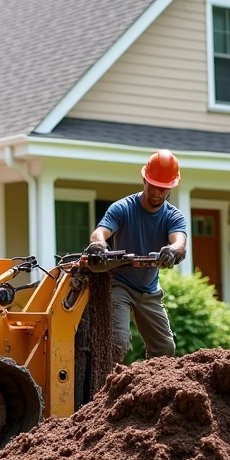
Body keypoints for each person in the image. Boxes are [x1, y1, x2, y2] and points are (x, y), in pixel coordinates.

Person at [85, 149, 188, 358]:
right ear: (144, 179)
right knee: (117, 343)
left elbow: (179, 242)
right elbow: (100, 232)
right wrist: (99, 245)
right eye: (154, 186)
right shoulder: (123, 208)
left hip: (149, 289)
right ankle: (107, 388)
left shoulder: (173, 216)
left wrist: (172, 250)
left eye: (164, 188)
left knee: (165, 350)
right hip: (120, 284)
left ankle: (152, 388)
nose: (158, 192)